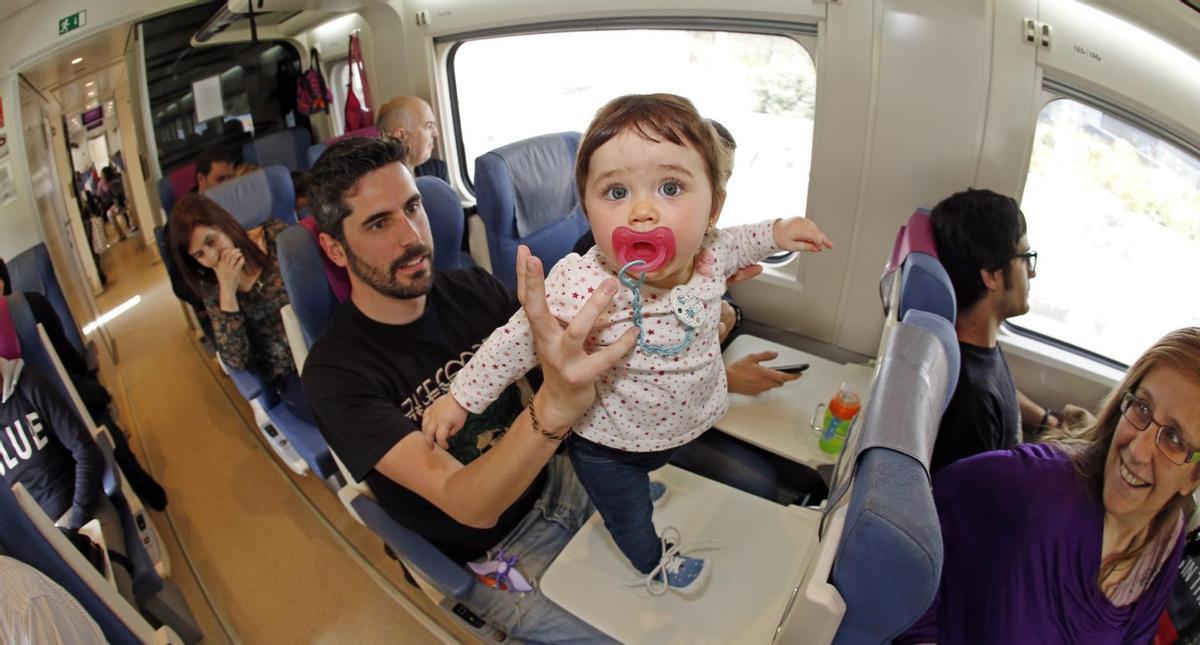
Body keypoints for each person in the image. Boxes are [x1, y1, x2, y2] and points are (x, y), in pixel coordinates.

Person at [423, 93, 833, 593]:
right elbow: (514, 341)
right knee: (630, 515)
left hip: (682, 426)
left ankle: (647, 482)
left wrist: (780, 231)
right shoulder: (580, 284)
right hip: (608, 446)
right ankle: (649, 562)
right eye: (615, 193)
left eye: (670, 187)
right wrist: (462, 396)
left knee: (653, 473)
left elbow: (746, 239)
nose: (641, 211)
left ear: (713, 208)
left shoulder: (711, 254)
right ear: (588, 212)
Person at [303, 135, 633, 643]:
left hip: (558, 478)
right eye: (378, 222)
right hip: (494, 551)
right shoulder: (336, 374)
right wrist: (554, 405)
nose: (411, 236)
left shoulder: (471, 289)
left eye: (413, 207)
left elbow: (561, 365)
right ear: (333, 248)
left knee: (673, 585)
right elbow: (471, 504)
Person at [900, 327, 1200, 643]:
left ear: (1193, 478)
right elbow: (912, 518)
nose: (1138, 450)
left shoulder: (1166, 539)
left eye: (1174, 439)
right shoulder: (1037, 484)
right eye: (1142, 407)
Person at [928, 188, 1091, 475]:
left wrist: (1050, 423)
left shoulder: (981, 346)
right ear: (991, 275)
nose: (1031, 273)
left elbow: (1002, 395)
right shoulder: (970, 402)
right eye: (1025, 257)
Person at [0, 259, 166, 510]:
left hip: (37, 454)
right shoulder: (28, 307)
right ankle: (142, 483)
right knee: (92, 402)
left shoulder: (26, 313)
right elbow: (69, 362)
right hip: (67, 398)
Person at [166, 193, 311, 423]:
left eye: (211, 241)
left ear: (225, 226)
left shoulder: (275, 235)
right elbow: (235, 360)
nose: (213, 257)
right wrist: (228, 294)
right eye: (200, 255)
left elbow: (316, 280)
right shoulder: (214, 291)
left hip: (322, 341)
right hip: (290, 374)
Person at [0, 356, 134, 602]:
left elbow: (85, 452)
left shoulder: (30, 385)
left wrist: (76, 522)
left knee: (117, 603)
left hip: (84, 513)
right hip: (43, 543)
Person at [375, 95, 449, 182]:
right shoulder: (379, 183)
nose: (436, 133)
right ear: (400, 136)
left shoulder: (437, 170)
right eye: (429, 125)